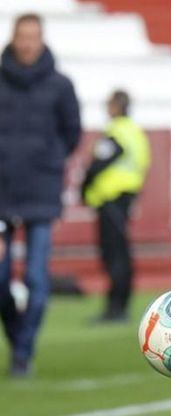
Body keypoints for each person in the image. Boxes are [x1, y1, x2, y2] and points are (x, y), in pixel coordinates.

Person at [0, 13, 81, 377]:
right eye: (23, 36)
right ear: (14, 39)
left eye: (34, 36)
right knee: (0, 279)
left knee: (36, 277)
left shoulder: (60, 85)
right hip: (1, 194)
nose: (28, 43)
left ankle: (24, 350)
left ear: (42, 39)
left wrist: (48, 159)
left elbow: (72, 132)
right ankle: (18, 339)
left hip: (41, 194)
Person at [81, 90, 150, 323]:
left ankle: (115, 308)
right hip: (126, 197)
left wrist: (85, 185)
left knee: (114, 255)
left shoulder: (116, 132)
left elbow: (99, 162)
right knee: (122, 253)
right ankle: (120, 305)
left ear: (116, 106)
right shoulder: (136, 133)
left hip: (111, 198)